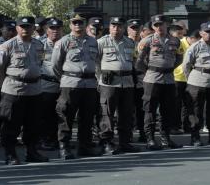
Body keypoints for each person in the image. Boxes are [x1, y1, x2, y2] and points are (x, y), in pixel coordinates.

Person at [0, 16, 48, 165]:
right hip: (14, 90)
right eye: (22, 26)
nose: (25, 29)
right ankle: (10, 154)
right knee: (11, 125)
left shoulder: (39, 45)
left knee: (33, 124)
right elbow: (0, 68)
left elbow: (40, 62)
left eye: (28, 26)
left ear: (34, 28)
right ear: (17, 28)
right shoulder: (7, 46)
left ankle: (32, 152)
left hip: (34, 90)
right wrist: (3, 84)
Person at [52, 14, 100, 160]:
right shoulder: (64, 41)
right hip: (71, 83)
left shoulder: (92, 41)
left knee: (87, 117)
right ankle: (64, 147)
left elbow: (96, 61)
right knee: (66, 116)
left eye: (80, 22)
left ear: (85, 25)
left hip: (90, 84)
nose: (78, 25)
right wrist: (66, 78)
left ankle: (84, 146)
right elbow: (56, 65)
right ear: (71, 25)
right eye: (75, 23)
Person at [135, 15, 183, 150]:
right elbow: (139, 62)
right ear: (152, 27)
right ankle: (150, 139)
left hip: (168, 79)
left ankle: (166, 138)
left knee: (167, 110)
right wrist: (151, 71)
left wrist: (168, 68)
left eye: (161, 24)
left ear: (166, 24)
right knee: (149, 110)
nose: (159, 27)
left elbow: (179, 58)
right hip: (152, 79)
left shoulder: (175, 41)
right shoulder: (146, 41)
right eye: (156, 25)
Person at [96, 17, 140, 155]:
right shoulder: (101, 42)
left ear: (123, 28)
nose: (116, 29)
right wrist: (100, 78)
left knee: (126, 114)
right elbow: (95, 63)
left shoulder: (130, 42)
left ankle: (125, 142)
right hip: (109, 83)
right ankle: (107, 143)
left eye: (119, 26)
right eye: (113, 26)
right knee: (107, 114)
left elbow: (133, 61)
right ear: (109, 27)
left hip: (126, 83)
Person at [183, 22, 210, 146]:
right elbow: (186, 65)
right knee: (196, 111)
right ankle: (195, 137)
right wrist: (191, 80)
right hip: (197, 82)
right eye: (207, 32)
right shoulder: (195, 46)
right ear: (201, 33)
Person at [39, 18, 63, 151]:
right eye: (52, 28)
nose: (55, 31)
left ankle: (58, 139)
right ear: (46, 30)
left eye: (58, 28)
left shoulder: (66, 44)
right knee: (45, 114)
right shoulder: (40, 44)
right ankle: (44, 139)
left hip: (63, 85)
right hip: (46, 85)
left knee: (61, 114)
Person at [127, 19, 146, 142]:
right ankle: (127, 135)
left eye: (137, 28)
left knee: (142, 108)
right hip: (127, 78)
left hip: (141, 79)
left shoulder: (144, 43)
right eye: (132, 28)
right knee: (126, 109)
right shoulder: (124, 42)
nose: (135, 31)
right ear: (128, 29)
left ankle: (143, 133)